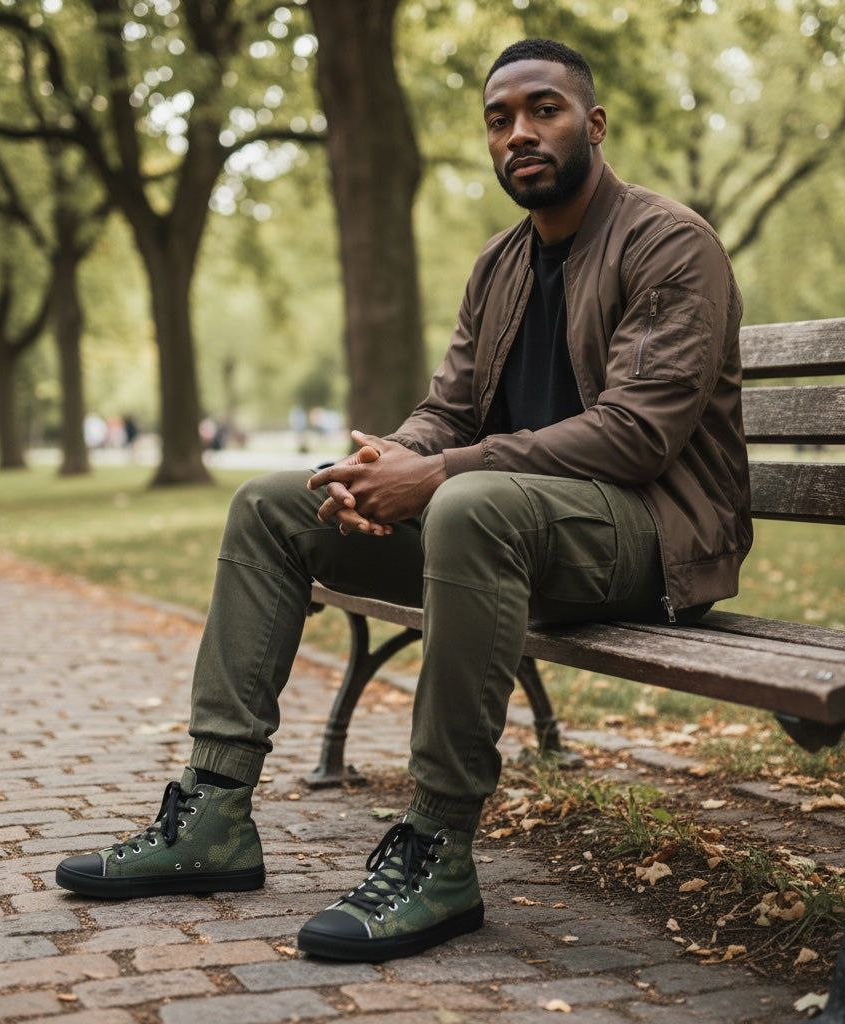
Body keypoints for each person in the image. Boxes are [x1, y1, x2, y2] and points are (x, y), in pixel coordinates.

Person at [56, 38, 752, 963]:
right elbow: (448, 409)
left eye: (542, 110)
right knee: (276, 503)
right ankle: (212, 816)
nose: (518, 134)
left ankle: (436, 848)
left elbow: (635, 434)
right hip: (511, 532)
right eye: (498, 120)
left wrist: (439, 474)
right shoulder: (500, 266)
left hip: (649, 537)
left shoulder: (667, 244)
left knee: (469, 506)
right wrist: (390, 461)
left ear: (593, 124)